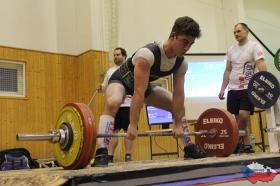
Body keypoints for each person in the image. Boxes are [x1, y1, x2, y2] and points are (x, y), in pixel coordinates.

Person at [93, 16, 207, 167]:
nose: (187, 48)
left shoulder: (181, 63)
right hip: (121, 80)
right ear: (173, 36)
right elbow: (138, 93)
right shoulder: (148, 54)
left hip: (143, 86)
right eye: (184, 42)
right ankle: (101, 151)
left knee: (177, 106)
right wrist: (132, 125)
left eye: (191, 44)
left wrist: (178, 124)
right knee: (113, 102)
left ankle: (188, 147)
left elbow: (179, 95)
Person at [218, 23, 267, 153]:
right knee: (238, 118)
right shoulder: (231, 49)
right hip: (233, 89)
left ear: (247, 31)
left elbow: (261, 64)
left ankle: (233, 141)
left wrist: (264, 83)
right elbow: (228, 70)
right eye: (234, 32)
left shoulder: (254, 46)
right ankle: (246, 145)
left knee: (243, 115)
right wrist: (223, 88)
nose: (236, 34)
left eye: (239, 31)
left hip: (248, 87)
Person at [97, 47, 133, 163]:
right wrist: (100, 88)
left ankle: (128, 156)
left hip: (128, 105)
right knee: (113, 131)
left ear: (124, 56)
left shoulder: (130, 69)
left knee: (128, 131)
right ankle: (110, 156)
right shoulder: (110, 71)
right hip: (114, 107)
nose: (116, 57)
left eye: (118, 55)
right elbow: (105, 86)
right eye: (114, 55)